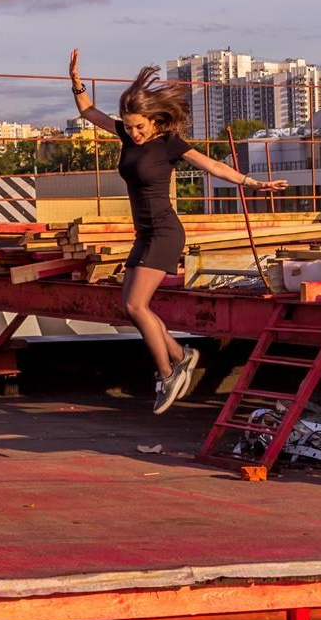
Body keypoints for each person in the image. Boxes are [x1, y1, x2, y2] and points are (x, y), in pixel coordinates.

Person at [69, 49, 288, 414]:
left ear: (154, 120)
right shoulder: (126, 134)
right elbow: (89, 112)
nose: (134, 133)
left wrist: (252, 182)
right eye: (130, 127)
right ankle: (181, 354)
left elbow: (212, 166)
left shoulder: (169, 143)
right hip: (145, 233)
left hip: (166, 232)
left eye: (140, 127)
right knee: (130, 307)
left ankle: (169, 373)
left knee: (136, 305)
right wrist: (76, 81)